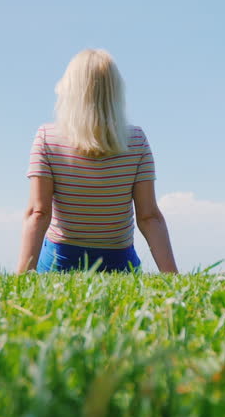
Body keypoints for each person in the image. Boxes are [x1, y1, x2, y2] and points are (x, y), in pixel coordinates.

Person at [16, 49, 179, 274]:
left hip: (60, 262)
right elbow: (149, 216)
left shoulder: (47, 137)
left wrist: (22, 278)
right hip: (119, 264)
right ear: (116, 91)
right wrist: (172, 277)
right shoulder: (136, 140)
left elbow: (38, 212)